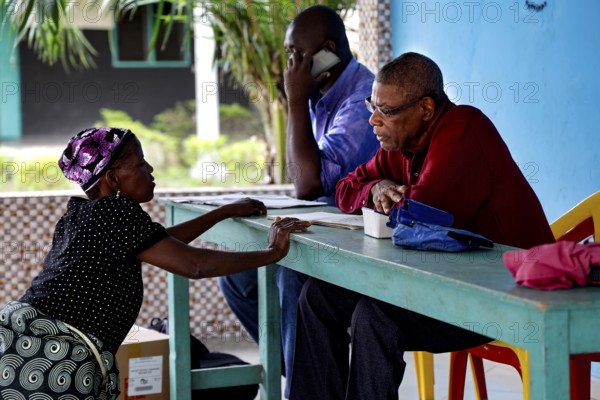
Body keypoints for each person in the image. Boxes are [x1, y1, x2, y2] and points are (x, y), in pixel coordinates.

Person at [289, 52, 556, 399]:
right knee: (318, 295)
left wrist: (387, 197)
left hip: (510, 298)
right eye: (373, 105)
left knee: (376, 316)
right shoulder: (401, 146)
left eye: (385, 111)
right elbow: (346, 188)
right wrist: (375, 187)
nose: (373, 120)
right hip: (449, 286)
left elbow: (418, 216)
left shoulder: (464, 129)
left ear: (426, 110)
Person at [0, 127, 309, 400]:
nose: (149, 169)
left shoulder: (80, 214)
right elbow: (194, 265)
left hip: (23, 345)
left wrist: (222, 212)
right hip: (56, 358)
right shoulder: (116, 212)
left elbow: (157, 243)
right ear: (113, 178)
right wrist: (272, 254)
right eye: (139, 163)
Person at [217, 5, 380, 395]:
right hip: (330, 230)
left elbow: (307, 185)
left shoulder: (361, 99)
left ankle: (308, 384)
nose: (290, 66)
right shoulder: (318, 96)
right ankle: (310, 376)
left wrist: (293, 100)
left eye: (296, 55)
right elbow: (300, 182)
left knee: (292, 272)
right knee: (237, 276)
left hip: (366, 243)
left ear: (325, 51)